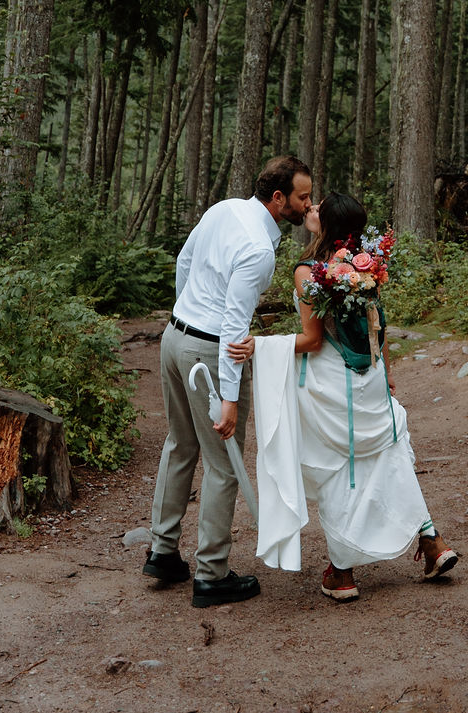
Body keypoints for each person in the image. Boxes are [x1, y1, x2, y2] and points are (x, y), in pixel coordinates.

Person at [229, 190, 457, 602]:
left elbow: (312, 341)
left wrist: (259, 346)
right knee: (388, 455)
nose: (309, 209)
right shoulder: (366, 266)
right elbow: (378, 323)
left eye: (316, 208)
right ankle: (432, 541)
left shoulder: (309, 272)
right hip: (368, 377)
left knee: (331, 469)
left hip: (331, 383)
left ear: (328, 224)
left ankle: (343, 572)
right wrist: (385, 373)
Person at [143, 154, 313, 607]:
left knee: (180, 444)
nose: (307, 205)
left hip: (174, 338)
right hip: (208, 352)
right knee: (224, 463)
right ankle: (212, 574)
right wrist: (231, 400)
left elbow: (184, 261)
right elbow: (236, 328)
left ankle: (162, 551)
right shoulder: (259, 249)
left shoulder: (222, 209)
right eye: (303, 197)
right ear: (279, 199)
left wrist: (188, 315)